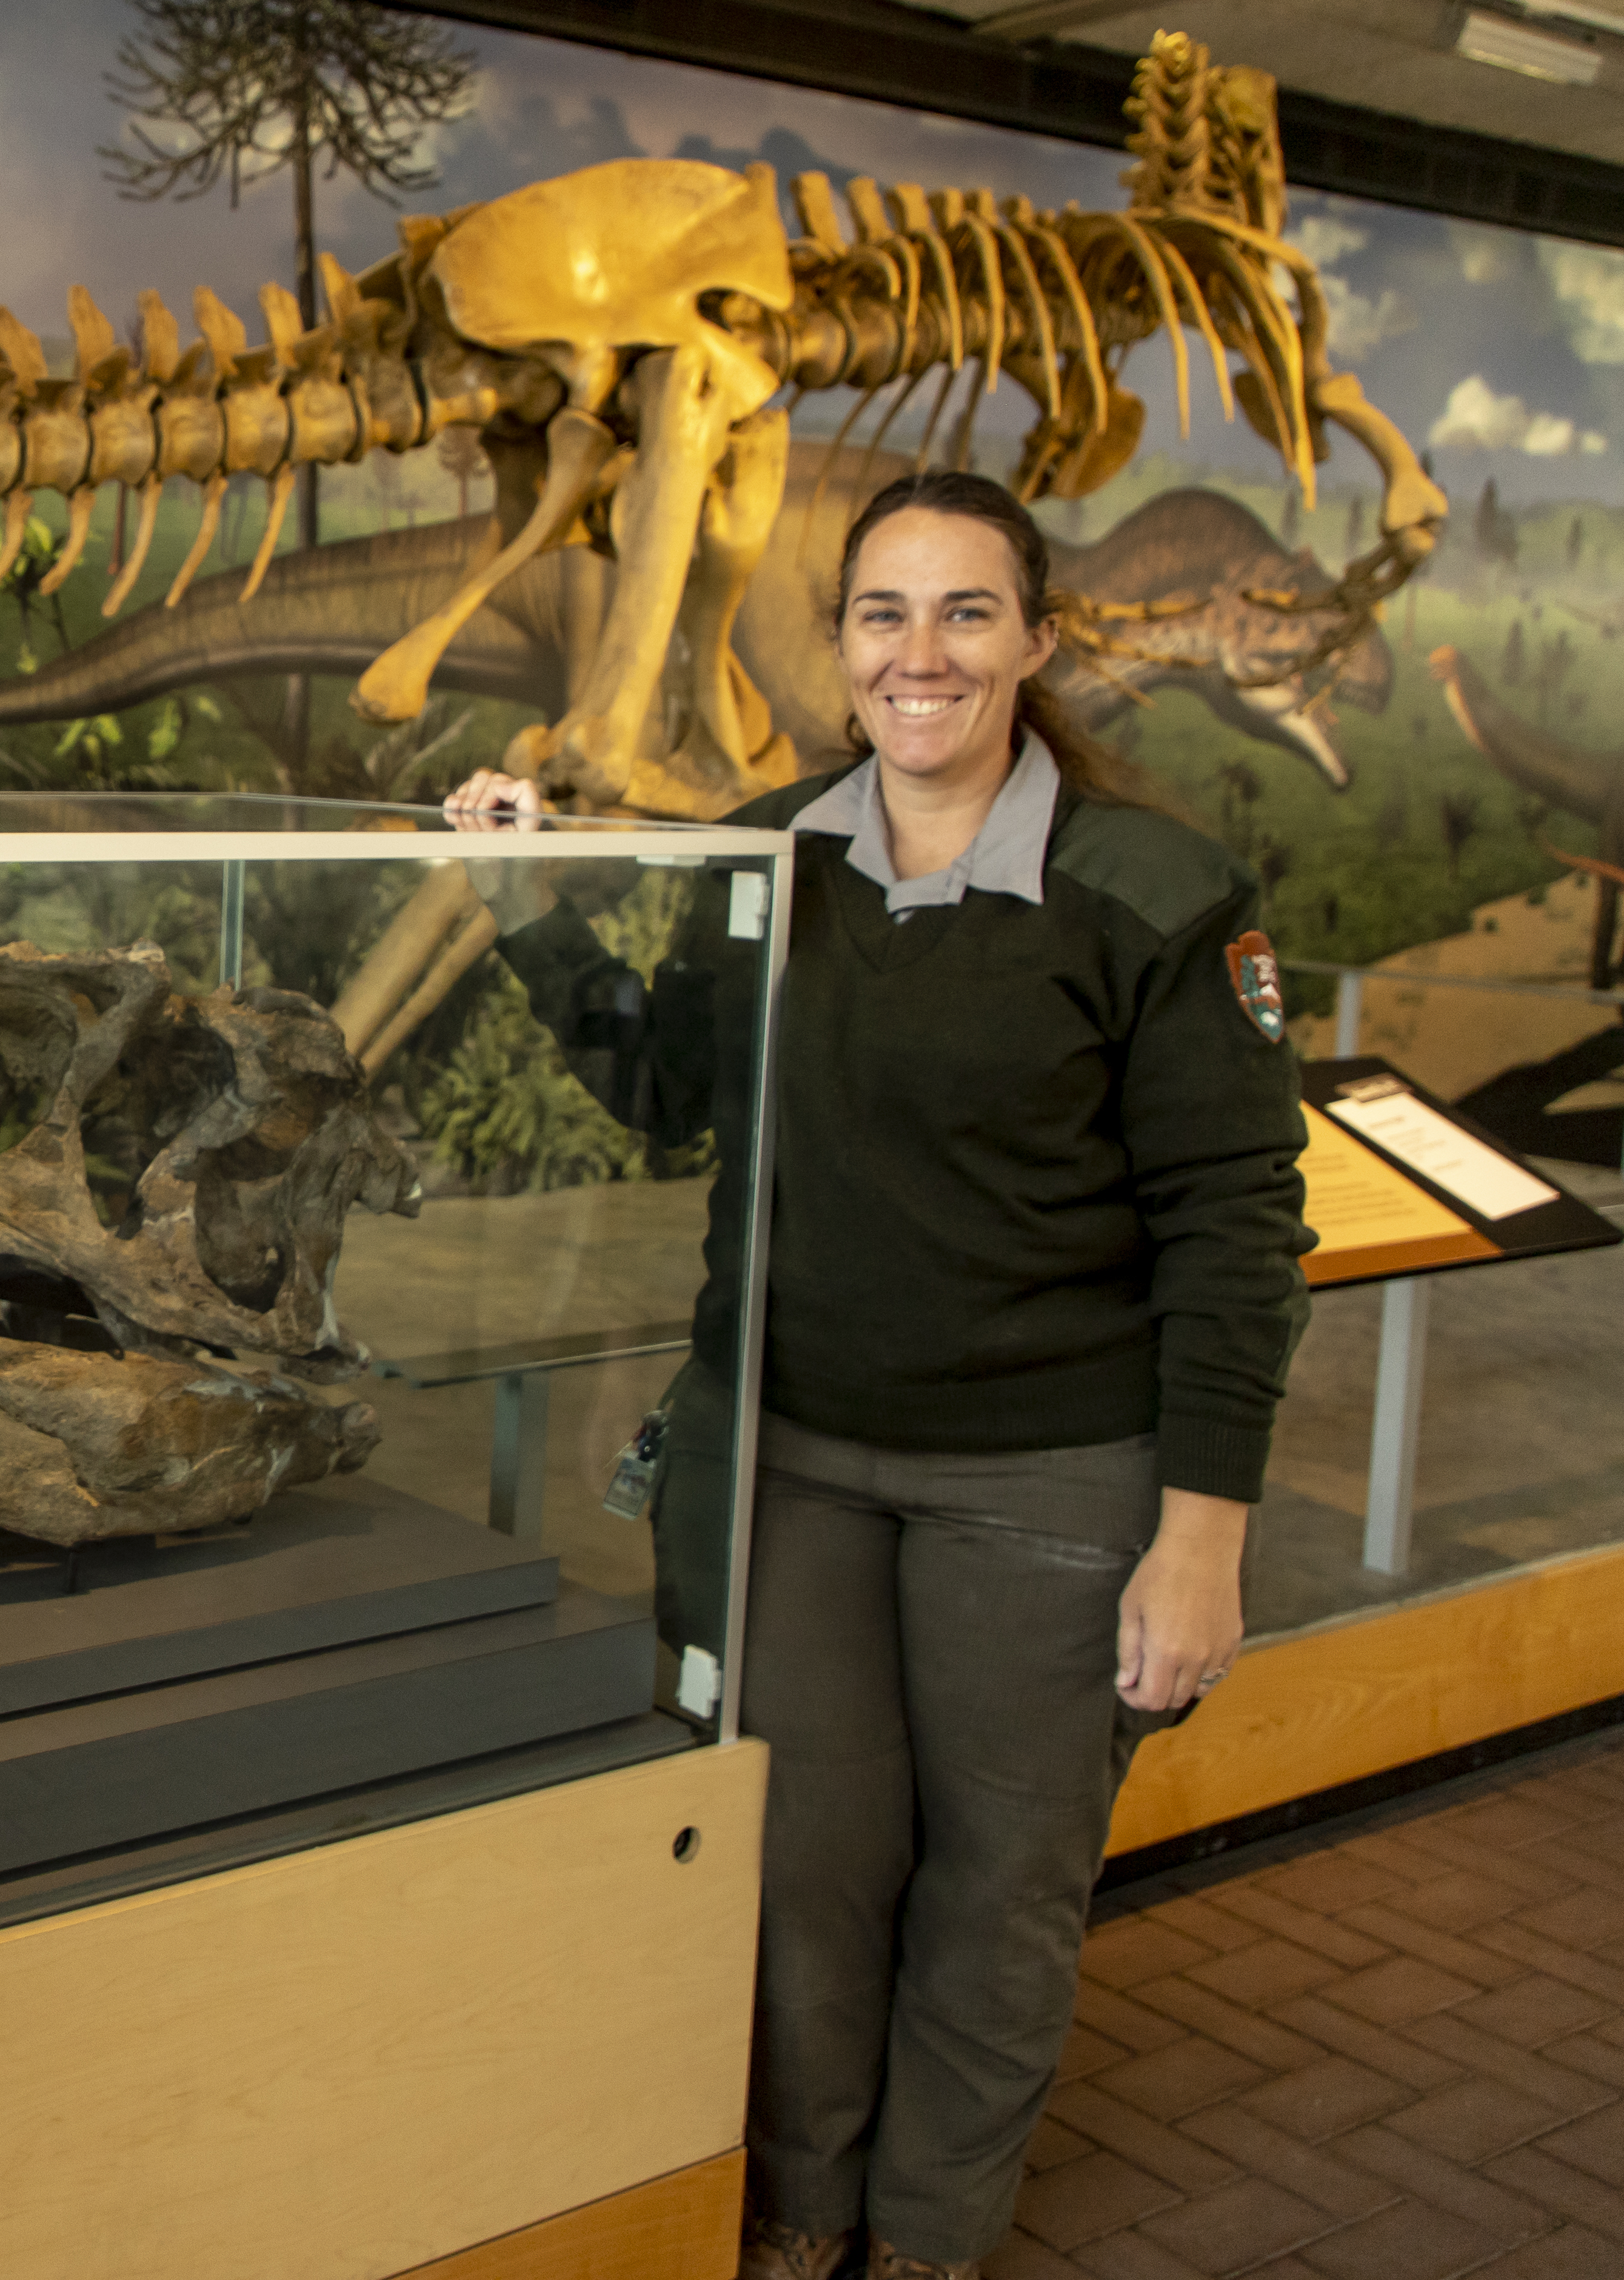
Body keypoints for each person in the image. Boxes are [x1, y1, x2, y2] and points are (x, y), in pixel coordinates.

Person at [446, 469, 1309, 2280]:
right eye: (882, 615)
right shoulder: (775, 859)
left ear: (1035, 641)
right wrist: (524, 906)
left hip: (1051, 1479)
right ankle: (800, 2215)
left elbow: (1234, 1220)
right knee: (805, 1871)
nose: (921, 654)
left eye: (965, 612)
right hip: (793, 1465)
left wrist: (1202, 1531)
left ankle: (926, 2238)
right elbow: (673, 1089)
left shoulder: (1149, 891)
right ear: (838, 653)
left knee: (999, 1889)